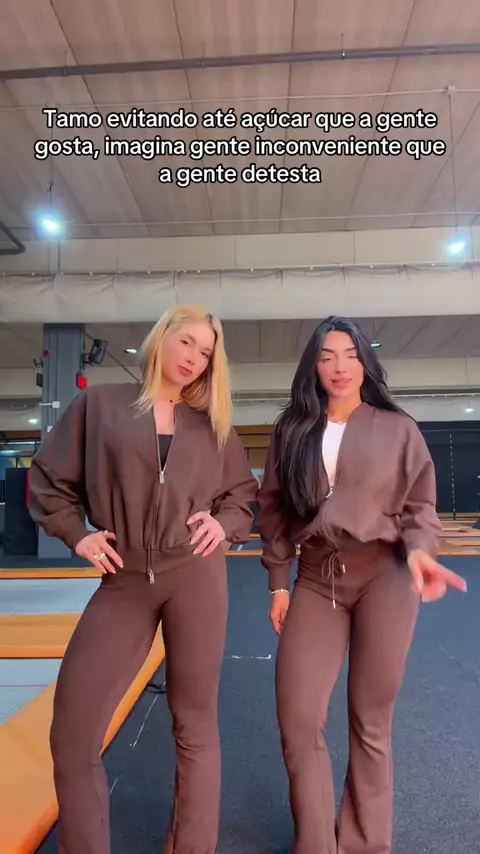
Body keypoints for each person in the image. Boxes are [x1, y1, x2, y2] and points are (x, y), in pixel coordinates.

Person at [29, 305, 258, 854]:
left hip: (196, 574)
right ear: (162, 337)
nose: (194, 358)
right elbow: (48, 479)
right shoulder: (99, 405)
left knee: (194, 722)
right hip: (125, 577)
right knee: (72, 732)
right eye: (187, 342)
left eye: (206, 353)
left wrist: (224, 524)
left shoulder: (212, 423)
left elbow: (242, 497)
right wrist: (77, 534)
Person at [257, 316, 467, 854]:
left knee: (370, 718)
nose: (340, 366)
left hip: (385, 576)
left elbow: (420, 504)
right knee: (299, 717)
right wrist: (278, 582)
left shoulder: (397, 428)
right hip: (316, 578)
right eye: (327, 356)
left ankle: (364, 844)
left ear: (365, 363)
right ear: (313, 366)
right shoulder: (292, 430)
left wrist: (420, 552)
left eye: (350, 354)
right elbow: (274, 510)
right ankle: (316, 844)